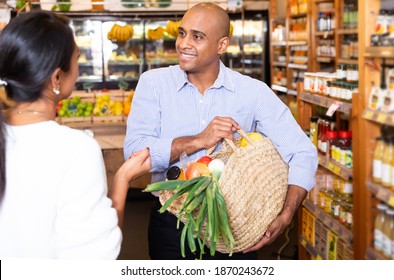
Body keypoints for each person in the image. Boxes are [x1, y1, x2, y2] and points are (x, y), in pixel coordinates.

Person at [124, 3, 318, 260]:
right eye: (181, 33)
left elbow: (302, 153)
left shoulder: (253, 92)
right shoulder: (154, 84)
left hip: (236, 228)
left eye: (197, 36)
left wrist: (286, 214)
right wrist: (198, 140)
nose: (183, 43)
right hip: (171, 224)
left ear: (222, 45)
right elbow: (135, 152)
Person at [0, 10, 151, 259]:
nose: (78, 70)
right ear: (56, 77)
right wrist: (123, 177)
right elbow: (95, 257)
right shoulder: (75, 149)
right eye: (76, 59)